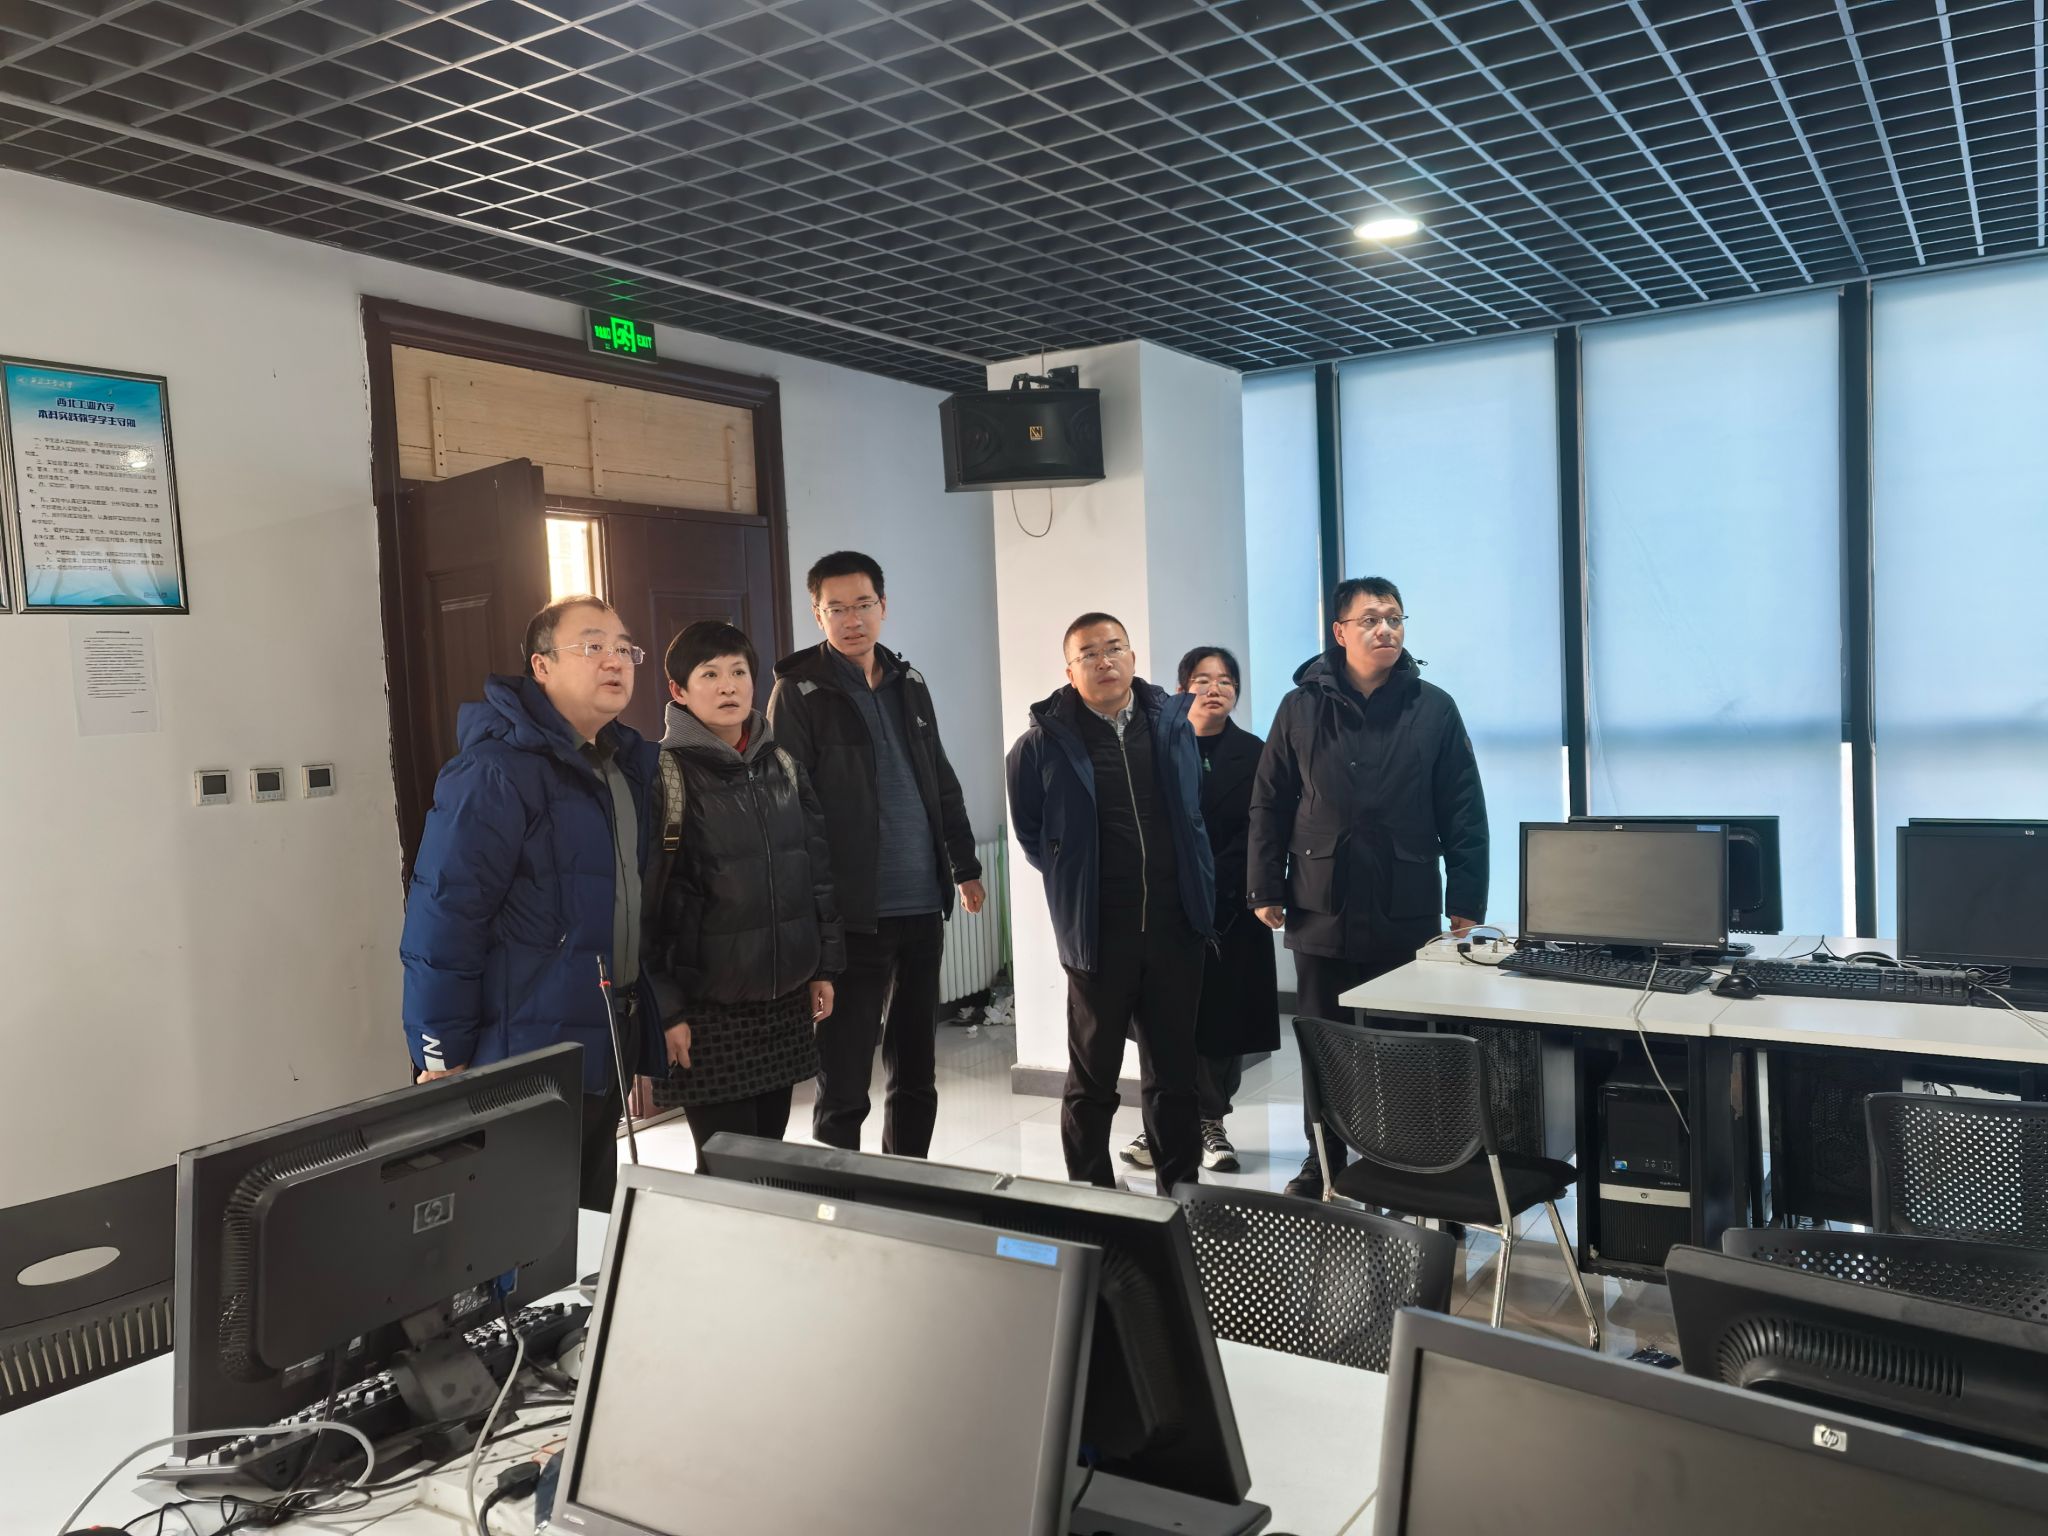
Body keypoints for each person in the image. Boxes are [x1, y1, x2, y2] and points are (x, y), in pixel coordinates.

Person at [400, 595, 665, 1213]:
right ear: (541, 666)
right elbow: (444, 916)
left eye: (623, 648)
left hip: (604, 1036)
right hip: (522, 1049)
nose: (614, 660)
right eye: (592, 646)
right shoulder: (494, 772)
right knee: (522, 1230)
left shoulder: (623, 765)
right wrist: (439, 1050)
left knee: (590, 1217)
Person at [1248, 577, 1488, 1200]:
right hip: (1319, 901)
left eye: (1396, 619)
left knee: (1405, 1045)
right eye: (1372, 619)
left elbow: (1464, 808)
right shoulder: (1299, 707)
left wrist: (1466, 901)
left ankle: (1409, 1162)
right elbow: (1270, 801)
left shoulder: (1433, 707)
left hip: (1403, 904)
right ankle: (1322, 1160)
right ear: (1340, 632)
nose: (1386, 629)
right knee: (1323, 1042)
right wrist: (1263, 885)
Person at [766, 551, 984, 1158]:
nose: (852, 619)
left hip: (922, 905)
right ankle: (841, 1194)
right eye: (836, 608)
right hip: (852, 915)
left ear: (883, 606)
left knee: (916, 1067)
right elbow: (790, 807)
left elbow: (939, 777)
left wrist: (964, 864)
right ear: (817, 614)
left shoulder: (910, 684)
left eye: (863, 604)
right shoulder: (799, 690)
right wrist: (812, 910)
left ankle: (906, 1179)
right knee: (844, 1077)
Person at [1007, 613, 1215, 1196]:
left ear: (1132, 656)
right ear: (1069, 670)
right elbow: (1035, 838)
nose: (1104, 661)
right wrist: (1078, 885)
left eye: (1114, 647)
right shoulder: (1040, 745)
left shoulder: (1171, 727)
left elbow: (1191, 814)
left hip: (1175, 928)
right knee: (1093, 1076)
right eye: (1089, 653)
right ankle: (1093, 1194)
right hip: (1098, 935)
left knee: (1174, 1077)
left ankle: (1180, 1193)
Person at [641, 620, 844, 1162]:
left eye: (738, 672)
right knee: (726, 1168)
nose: (728, 686)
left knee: (769, 1160)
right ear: (679, 690)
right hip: (706, 1012)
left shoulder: (783, 765)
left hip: (781, 1002)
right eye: (710, 674)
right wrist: (665, 1011)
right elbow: (645, 908)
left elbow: (816, 874)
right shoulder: (663, 777)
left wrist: (823, 967)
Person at [1121, 646, 1278, 1177]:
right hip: (1165, 904)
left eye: (1226, 681)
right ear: (1182, 688)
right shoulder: (1155, 746)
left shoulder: (1256, 752)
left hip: (1231, 905)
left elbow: (1263, 830)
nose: (1215, 689)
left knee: (1220, 1021)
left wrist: (1218, 879)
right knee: (1163, 1021)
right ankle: (1164, 1123)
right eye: (1203, 679)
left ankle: (1209, 1121)